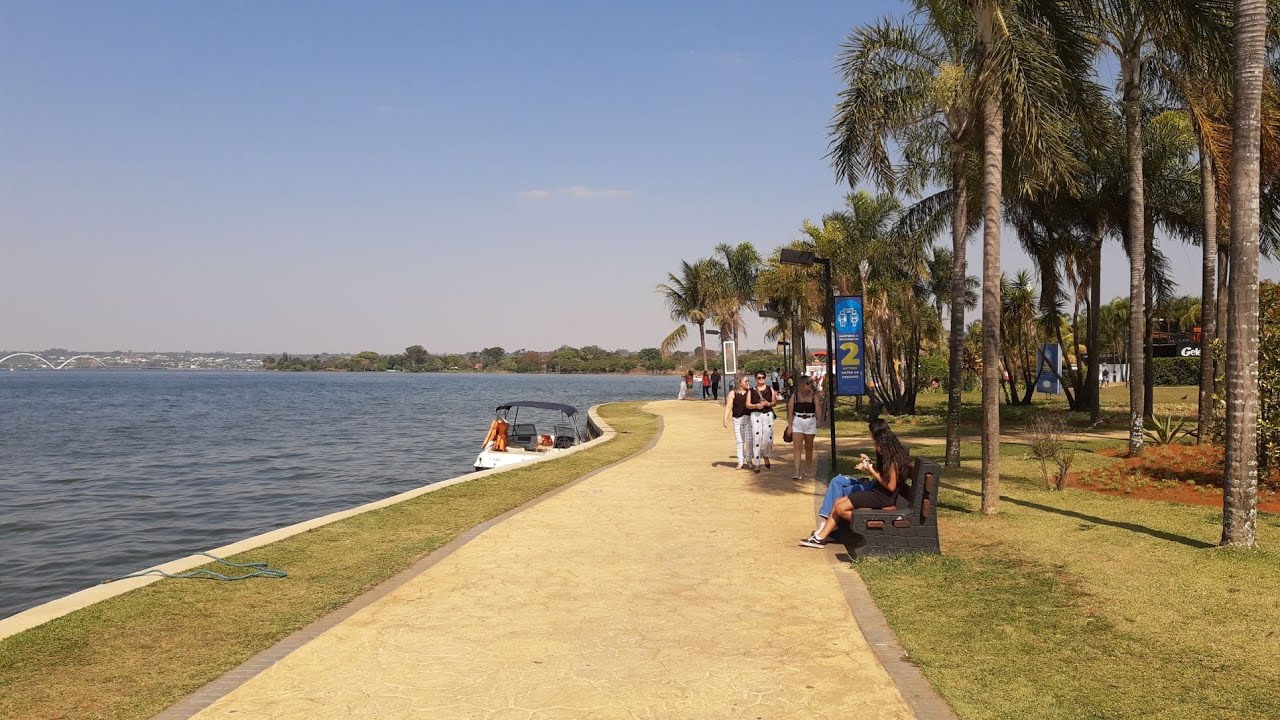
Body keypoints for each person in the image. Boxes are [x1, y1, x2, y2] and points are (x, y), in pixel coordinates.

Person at [800, 418, 911, 548]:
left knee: (840, 508)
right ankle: (820, 537)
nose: (876, 447)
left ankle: (826, 534)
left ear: (884, 445)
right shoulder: (891, 457)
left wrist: (872, 472)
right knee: (837, 503)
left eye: (877, 445)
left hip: (883, 497)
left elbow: (891, 487)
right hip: (878, 492)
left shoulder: (893, 462)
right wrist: (870, 466)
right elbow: (885, 478)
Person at [785, 374, 825, 480]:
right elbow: (790, 411)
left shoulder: (814, 396)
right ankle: (797, 472)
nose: (810, 385)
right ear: (802, 385)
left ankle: (808, 468)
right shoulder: (795, 396)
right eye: (808, 383)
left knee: (809, 447)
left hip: (810, 421)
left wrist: (819, 420)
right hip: (798, 421)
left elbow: (818, 408)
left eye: (811, 383)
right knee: (797, 447)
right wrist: (790, 426)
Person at [747, 371, 779, 473]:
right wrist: (756, 406)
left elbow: (774, 402)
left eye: (763, 377)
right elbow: (747, 404)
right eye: (759, 378)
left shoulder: (770, 389)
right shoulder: (751, 391)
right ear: (755, 378)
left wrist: (767, 404)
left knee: (768, 439)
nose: (761, 379)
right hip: (755, 415)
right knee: (757, 438)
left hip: (767, 415)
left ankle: (766, 455)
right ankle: (757, 462)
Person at [722, 375, 753, 469]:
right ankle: (740, 461)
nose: (747, 382)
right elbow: (728, 406)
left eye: (748, 381)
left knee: (749, 440)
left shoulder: (750, 392)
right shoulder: (733, 393)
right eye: (745, 381)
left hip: (748, 418)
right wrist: (725, 418)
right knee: (740, 441)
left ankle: (749, 459)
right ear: (739, 382)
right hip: (737, 419)